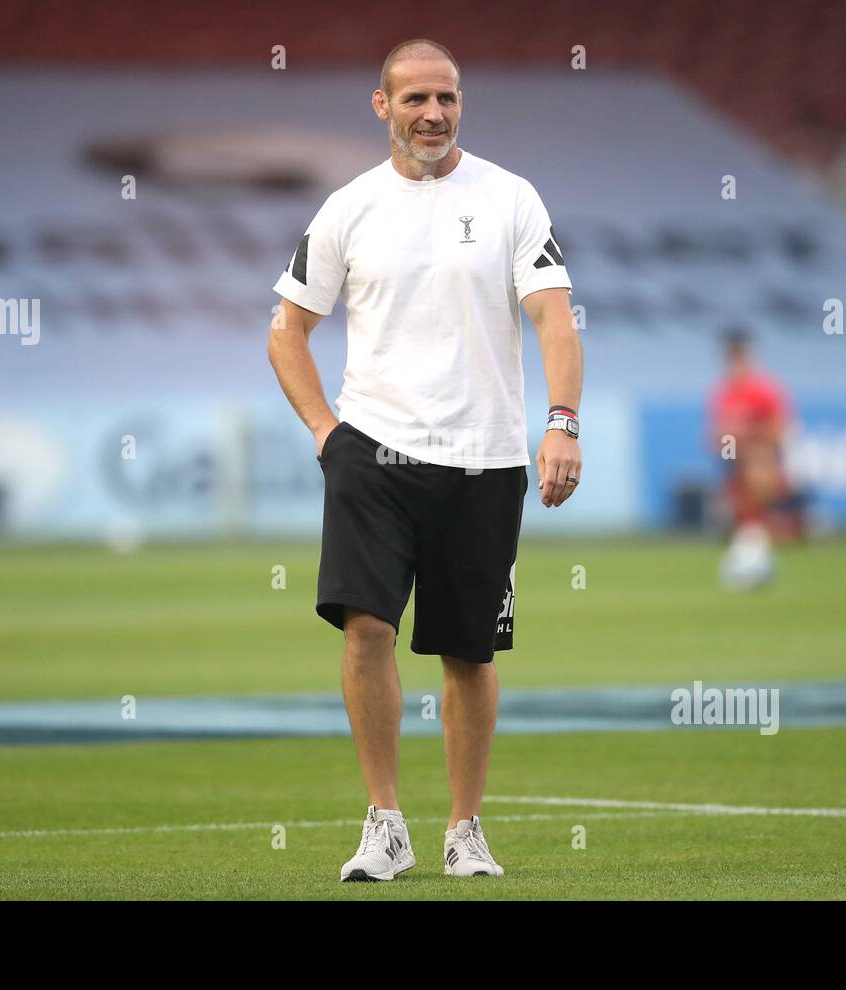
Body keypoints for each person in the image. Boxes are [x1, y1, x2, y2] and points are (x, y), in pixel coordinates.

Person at [267, 38, 583, 880]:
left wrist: (561, 422)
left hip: (484, 458)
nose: (433, 114)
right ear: (383, 107)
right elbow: (286, 329)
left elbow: (555, 317)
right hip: (373, 451)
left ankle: (466, 830)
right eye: (414, 100)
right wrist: (326, 432)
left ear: (460, 104)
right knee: (366, 625)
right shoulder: (348, 209)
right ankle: (384, 823)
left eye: (445, 98)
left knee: (468, 654)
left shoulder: (511, 197)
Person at [708, 328, 799, 587]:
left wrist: (748, 439)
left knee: (756, 504)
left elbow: (781, 430)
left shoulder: (765, 391)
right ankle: (751, 556)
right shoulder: (724, 393)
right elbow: (716, 434)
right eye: (730, 357)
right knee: (737, 513)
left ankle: (761, 553)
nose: (734, 363)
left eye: (739, 356)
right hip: (733, 465)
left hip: (760, 461)